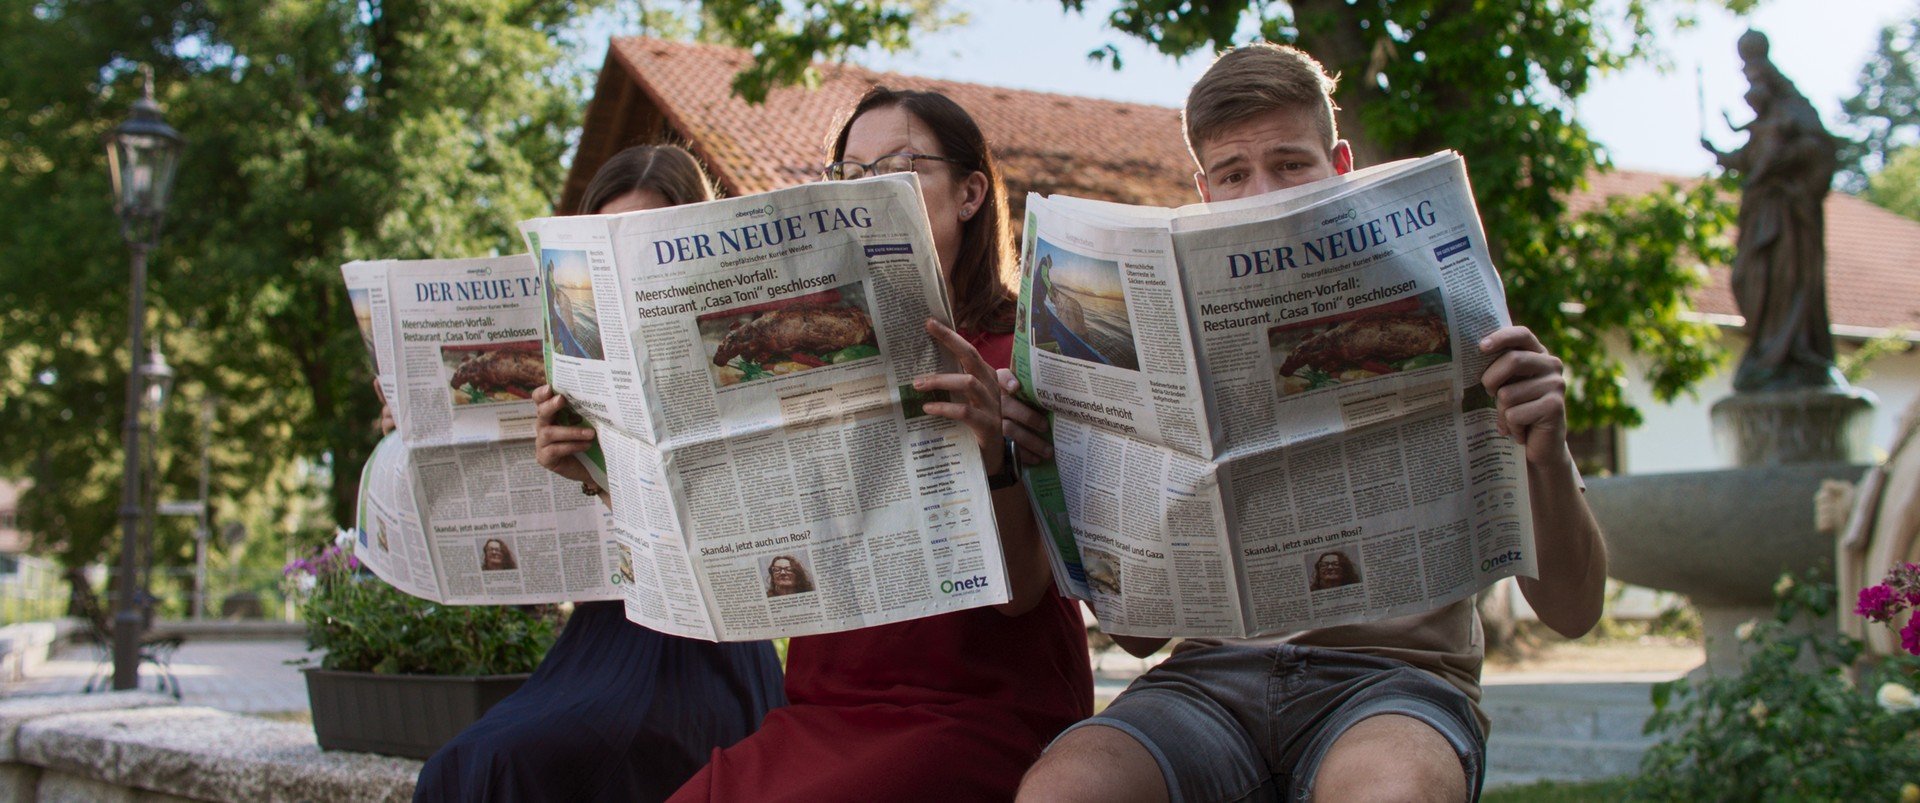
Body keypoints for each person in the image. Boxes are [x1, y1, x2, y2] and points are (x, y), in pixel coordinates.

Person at [1013, 43, 1608, 803]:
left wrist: (1547, 454)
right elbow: (1136, 638)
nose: (1263, 192)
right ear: (1203, 188)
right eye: (1233, 174)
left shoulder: (1449, 311)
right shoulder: (1168, 328)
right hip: (1205, 685)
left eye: (1290, 163)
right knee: (1063, 789)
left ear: (1340, 162)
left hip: (1395, 683)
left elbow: (1575, 610)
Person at [641, 86, 1091, 802]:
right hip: (823, 708)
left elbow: (1023, 596)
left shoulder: (1021, 351)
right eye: (848, 175)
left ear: (971, 193)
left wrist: (991, 451)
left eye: (900, 166)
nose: (867, 191)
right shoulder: (812, 341)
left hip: (977, 712)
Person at [413, 145, 786, 803]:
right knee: (457, 765)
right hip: (601, 637)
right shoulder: (574, 352)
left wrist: (603, 480)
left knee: (511, 764)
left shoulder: (733, 356)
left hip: (702, 646)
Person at [1701, 29, 1844, 392]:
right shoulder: (1762, 127)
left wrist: (1784, 163)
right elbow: (1745, 157)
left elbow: (1820, 148)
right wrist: (1717, 152)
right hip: (1758, 213)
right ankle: (1767, 348)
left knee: (1787, 278)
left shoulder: (1793, 113)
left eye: (1755, 82)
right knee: (1747, 277)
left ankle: (1792, 349)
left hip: (1790, 215)